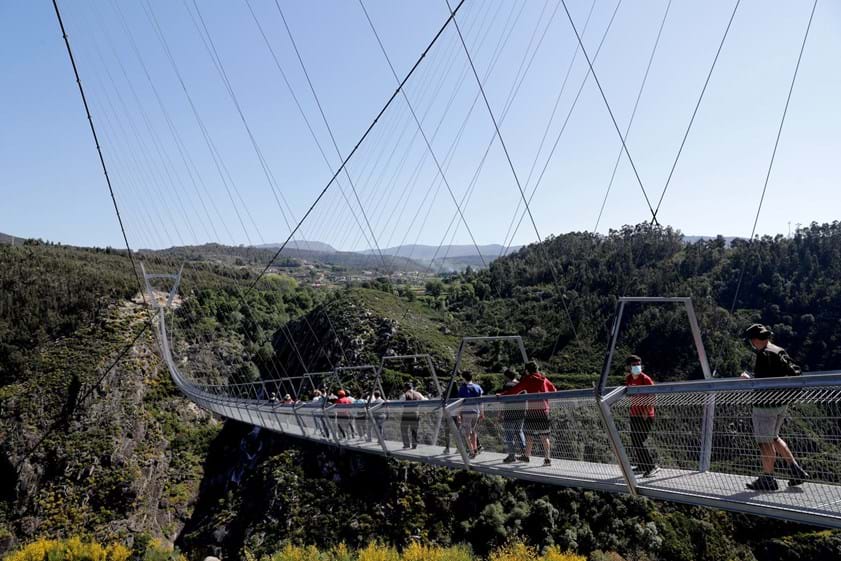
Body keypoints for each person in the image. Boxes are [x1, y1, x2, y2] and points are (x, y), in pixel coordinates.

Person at [741, 324, 809, 491]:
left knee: (764, 442)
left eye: (751, 340)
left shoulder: (764, 355)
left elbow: (762, 384)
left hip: (765, 405)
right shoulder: (778, 350)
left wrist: (747, 380)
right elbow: (794, 373)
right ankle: (795, 470)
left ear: (755, 340)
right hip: (781, 404)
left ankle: (768, 479)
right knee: (773, 437)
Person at [501, 361, 556, 466]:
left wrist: (503, 395)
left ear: (527, 370)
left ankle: (527, 456)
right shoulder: (544, 379)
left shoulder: (527, 379)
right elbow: (554, 390)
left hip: (531, 411)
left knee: (529, 435)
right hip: (544, 410)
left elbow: (515, 390)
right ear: (537, 369)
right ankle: (547, 459)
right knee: (544, 436)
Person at [625, 355, 660, 478]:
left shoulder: (646, 379)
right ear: (628, 367)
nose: (637, 367)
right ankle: (642, 464)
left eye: (638, 364)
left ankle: (652, 466)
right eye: (634, 365)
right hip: (634, 414)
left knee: (640, 440)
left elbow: (653, 397)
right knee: (635, 440)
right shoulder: (629, 378)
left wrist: (646, 410)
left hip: (645, 415)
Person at [499, 368, 526, 463]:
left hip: (509, 413)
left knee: (509, 435)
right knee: (519, 432)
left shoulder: (507, 385)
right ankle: (525, 454)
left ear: (506, 376)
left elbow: (504, 400)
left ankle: (512, 456)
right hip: (521, 413)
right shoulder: (521, 385)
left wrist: (501, 413)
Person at [457, 372, 484, 458]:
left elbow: (460, 403)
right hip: (476, 412)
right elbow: (481, 401)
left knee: (466, 434)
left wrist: (458, 414)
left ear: (464, 378)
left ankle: (472, 452)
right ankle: (475, 449)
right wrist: (482, 413)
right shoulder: (478, 387)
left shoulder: (462, 388)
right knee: (474, 432)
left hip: (467, 413)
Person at [400, 382, 426, 449]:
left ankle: (406, 445)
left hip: (406, 414)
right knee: (414, 430)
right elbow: (425, 400)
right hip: (415, 414)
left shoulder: (404, 395)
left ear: (405, 388)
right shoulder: (418, 394)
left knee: (403, 429)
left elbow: (400, 404)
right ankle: (414, 445)